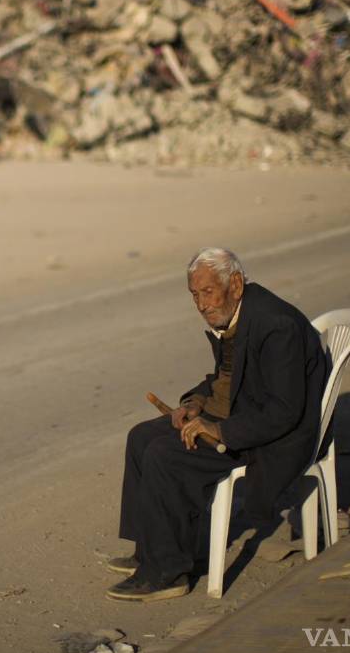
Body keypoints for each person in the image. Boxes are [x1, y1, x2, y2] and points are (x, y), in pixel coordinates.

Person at [106, 247, 329, 601]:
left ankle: (168, 573)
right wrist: (194, 404)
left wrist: (218, 430)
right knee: (141, 437)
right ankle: (149, 549)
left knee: (165, 454)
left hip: (268, 437)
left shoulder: (276, 325)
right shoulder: (239, 313)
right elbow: (225, 378)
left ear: (235, 284)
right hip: (239, 413)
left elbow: (284, 411)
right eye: (195, 295)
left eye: (207, 292)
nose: (200, 304)